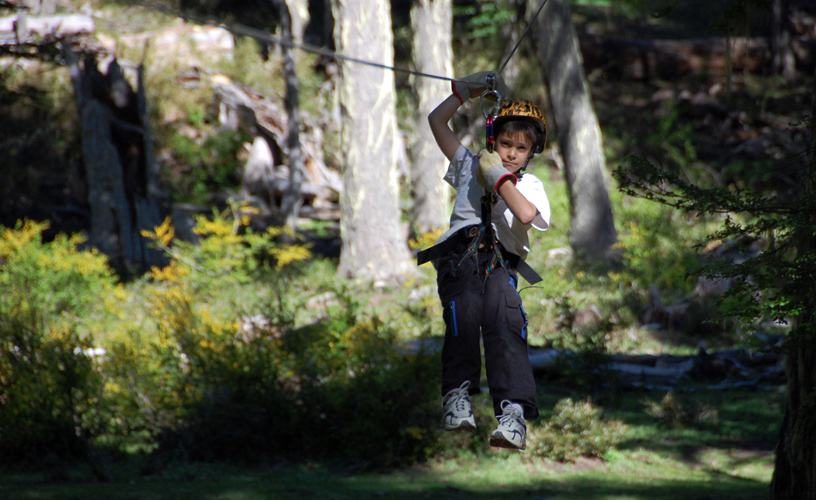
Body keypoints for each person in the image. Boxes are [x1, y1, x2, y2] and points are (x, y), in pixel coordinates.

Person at [420, 71, 551, 450]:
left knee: (504, 323)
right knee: (464, 314)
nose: (511, 154)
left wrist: (495, 174)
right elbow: (436, 121)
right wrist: (464, 91)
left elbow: (525, 214)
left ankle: (512, 413)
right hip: (460, 256)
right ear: (493, 141)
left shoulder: (529, 185)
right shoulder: (468, 165)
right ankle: (456, 395)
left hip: (500, 262)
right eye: (505, 144)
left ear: (531, 153)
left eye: (521, 148)